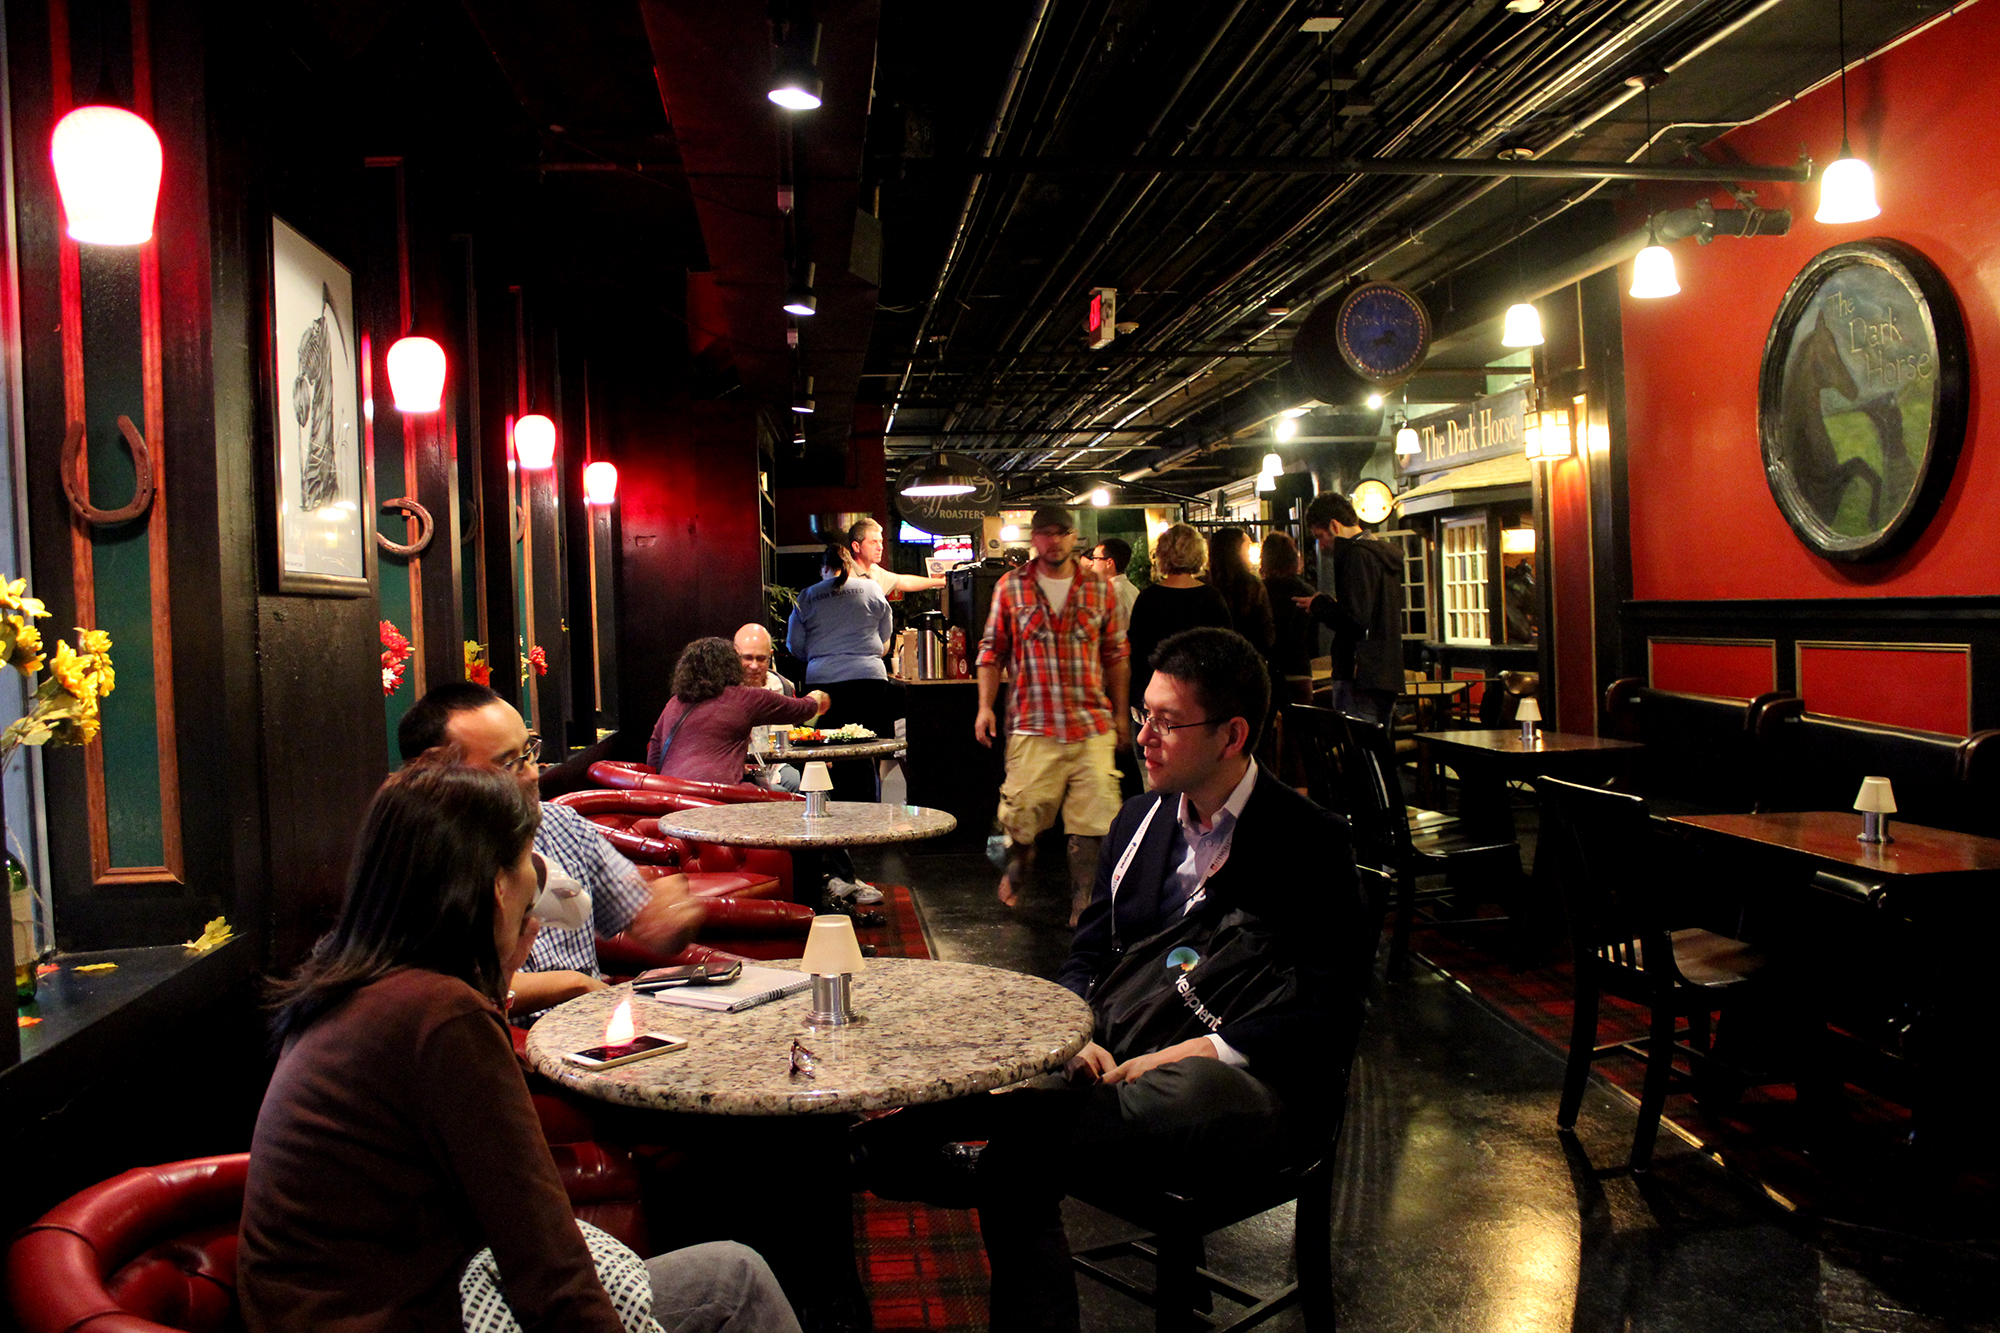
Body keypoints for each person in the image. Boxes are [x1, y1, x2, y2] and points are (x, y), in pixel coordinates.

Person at [863, 627, 1369, 1332]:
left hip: (1247, 1089)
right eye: (1144, 716)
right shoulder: (1138, 819)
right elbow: (1087, 953)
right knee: (1003, 1105)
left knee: (1140, 1104)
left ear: (1231, 735)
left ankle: (918, 1149)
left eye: (1168, 721)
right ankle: (908, 1140)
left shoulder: (1306, 840)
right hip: (1121, 1055)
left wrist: (1202, 1049)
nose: (1145, 737)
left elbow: (1329, 1011)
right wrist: (1077, 1030)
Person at [239, 752, 802, 1333]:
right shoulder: (440, 1018)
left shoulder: (352, 982)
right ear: (495, 886)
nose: (538, 880)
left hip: (359, 1297)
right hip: (408, 1312)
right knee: (735, 1280)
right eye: (526, 863)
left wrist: (498, 967)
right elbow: (543, 1261)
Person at [398, 684, 704, 1020]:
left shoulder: (558, 824)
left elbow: (642, 917)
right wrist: (575, 985)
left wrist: (664, 919)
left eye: (529, 753)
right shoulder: (421, 859)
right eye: (509, 764)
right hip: (507, 1046)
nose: (532, 773)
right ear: (439, 774)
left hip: (592, 1032)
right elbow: (454, 991)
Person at [974, 505, 1130, 925]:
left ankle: (1085, 903)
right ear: (1034, 538)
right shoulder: (1011, 587)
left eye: (1062, 533)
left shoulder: (1100, 589)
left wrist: (1119, 716)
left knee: (1094, 822)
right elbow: (991, 652)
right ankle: (1020, 864)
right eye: (1045, 533)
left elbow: (1116, 656)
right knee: (1020, 817)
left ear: (1074, 536)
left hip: (1089, 722)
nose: (1054, 541)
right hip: (1033, 721)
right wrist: (984, 707)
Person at [787, 542, 896, 803]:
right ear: (848, 565)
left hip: (824, 682)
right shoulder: (872, 588)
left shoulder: (808, 595)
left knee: (829, 750)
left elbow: (795, 645)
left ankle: (835, 810)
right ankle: (868, 811)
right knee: (864, 748)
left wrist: (818, 656)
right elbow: (885, 636)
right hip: (869, 681)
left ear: (824, 568)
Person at [647, 637, 829, 785]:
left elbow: (654, 753)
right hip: (719, 798)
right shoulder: (743, 698)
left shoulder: (675, 702)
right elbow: (803, 709)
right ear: (731, 666)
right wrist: (817, 696)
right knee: (785, 799)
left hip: (673, 797)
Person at [1296, 492, 1404, 727]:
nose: (1321, 546)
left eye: (1320, 536)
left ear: (1334, 525)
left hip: (1359, 675)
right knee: (1378, 754)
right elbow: (1370, 612)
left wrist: (1319, 606)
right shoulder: (1381, 554)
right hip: (1386, 673)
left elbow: (1355, 619)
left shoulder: (1356, 555)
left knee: (1360, 755)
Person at [1125, 522, 1232, 713]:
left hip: (1154, 695)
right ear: (1199, 554)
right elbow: (1225, 650)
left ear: (1161, 554)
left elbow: (1137, 653)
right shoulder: (1212, 597)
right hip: (1200, 696)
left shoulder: (1148, 598)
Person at [735, 622, 803, 791]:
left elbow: (796, 730)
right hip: (739, 770)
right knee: (780, 793)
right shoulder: (724, 689)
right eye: (748, 658)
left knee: (803, 785)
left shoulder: (782, 687)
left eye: (761, 658)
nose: (754, 665)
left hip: (774, 765)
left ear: (770, 656)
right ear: (735, 656)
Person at [1205, 526, 1274, 662]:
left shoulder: (1205, 586)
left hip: (1214, 662)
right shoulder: (1252, 586)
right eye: (1247, 547)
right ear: (1236, 551)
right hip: (1248, 660)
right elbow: (1265, 631)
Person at [847, 516, 946, 597]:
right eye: (873, 542)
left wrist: (941, 581)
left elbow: (905, 581)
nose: (880, 547)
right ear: (856, 546)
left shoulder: (874, 571)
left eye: (880, 541)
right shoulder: (843, 573)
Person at [1082, 536, 1138, 624]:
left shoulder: (1111, 593)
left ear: (1109, 563)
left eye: (1095, 558)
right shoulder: (1133, 590)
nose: (1092, 563)